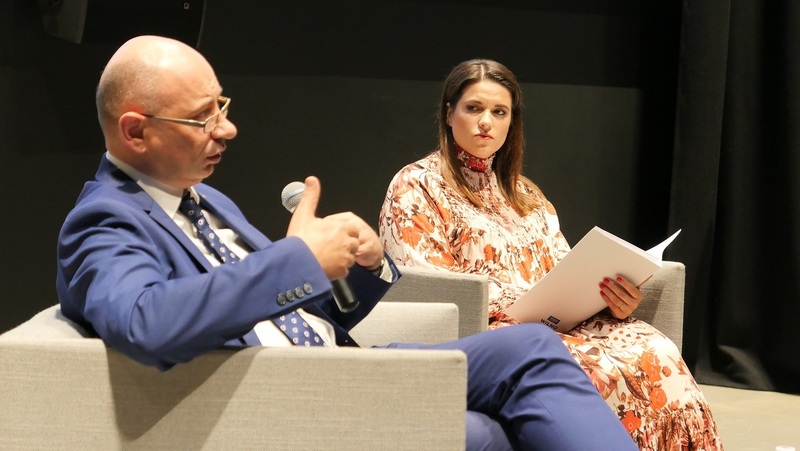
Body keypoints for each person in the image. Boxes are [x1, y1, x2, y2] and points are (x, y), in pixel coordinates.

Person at [56, 36, 637, 450]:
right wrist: (295, 259)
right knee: (486, 428)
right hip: (300, 392)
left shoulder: (203, 200)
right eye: (202, 118)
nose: (226, 129)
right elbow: (143, 324)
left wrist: (357, 267)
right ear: (136, 130)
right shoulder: (104, 222)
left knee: (530, 347)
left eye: (222, 106)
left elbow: (293, 305)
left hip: (337, 363)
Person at [379, 59, 723, 450]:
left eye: (499, 111)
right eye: (473, 108)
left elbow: (564, 270)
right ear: (449, 113)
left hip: (554, 324)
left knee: (651, 344)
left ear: (512, 122)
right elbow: (425, 284)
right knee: (595, 365)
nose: (486, 122)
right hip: (487, 333)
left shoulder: (526, 193)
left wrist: (611, 300)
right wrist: (518, 300)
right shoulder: (416, 184)